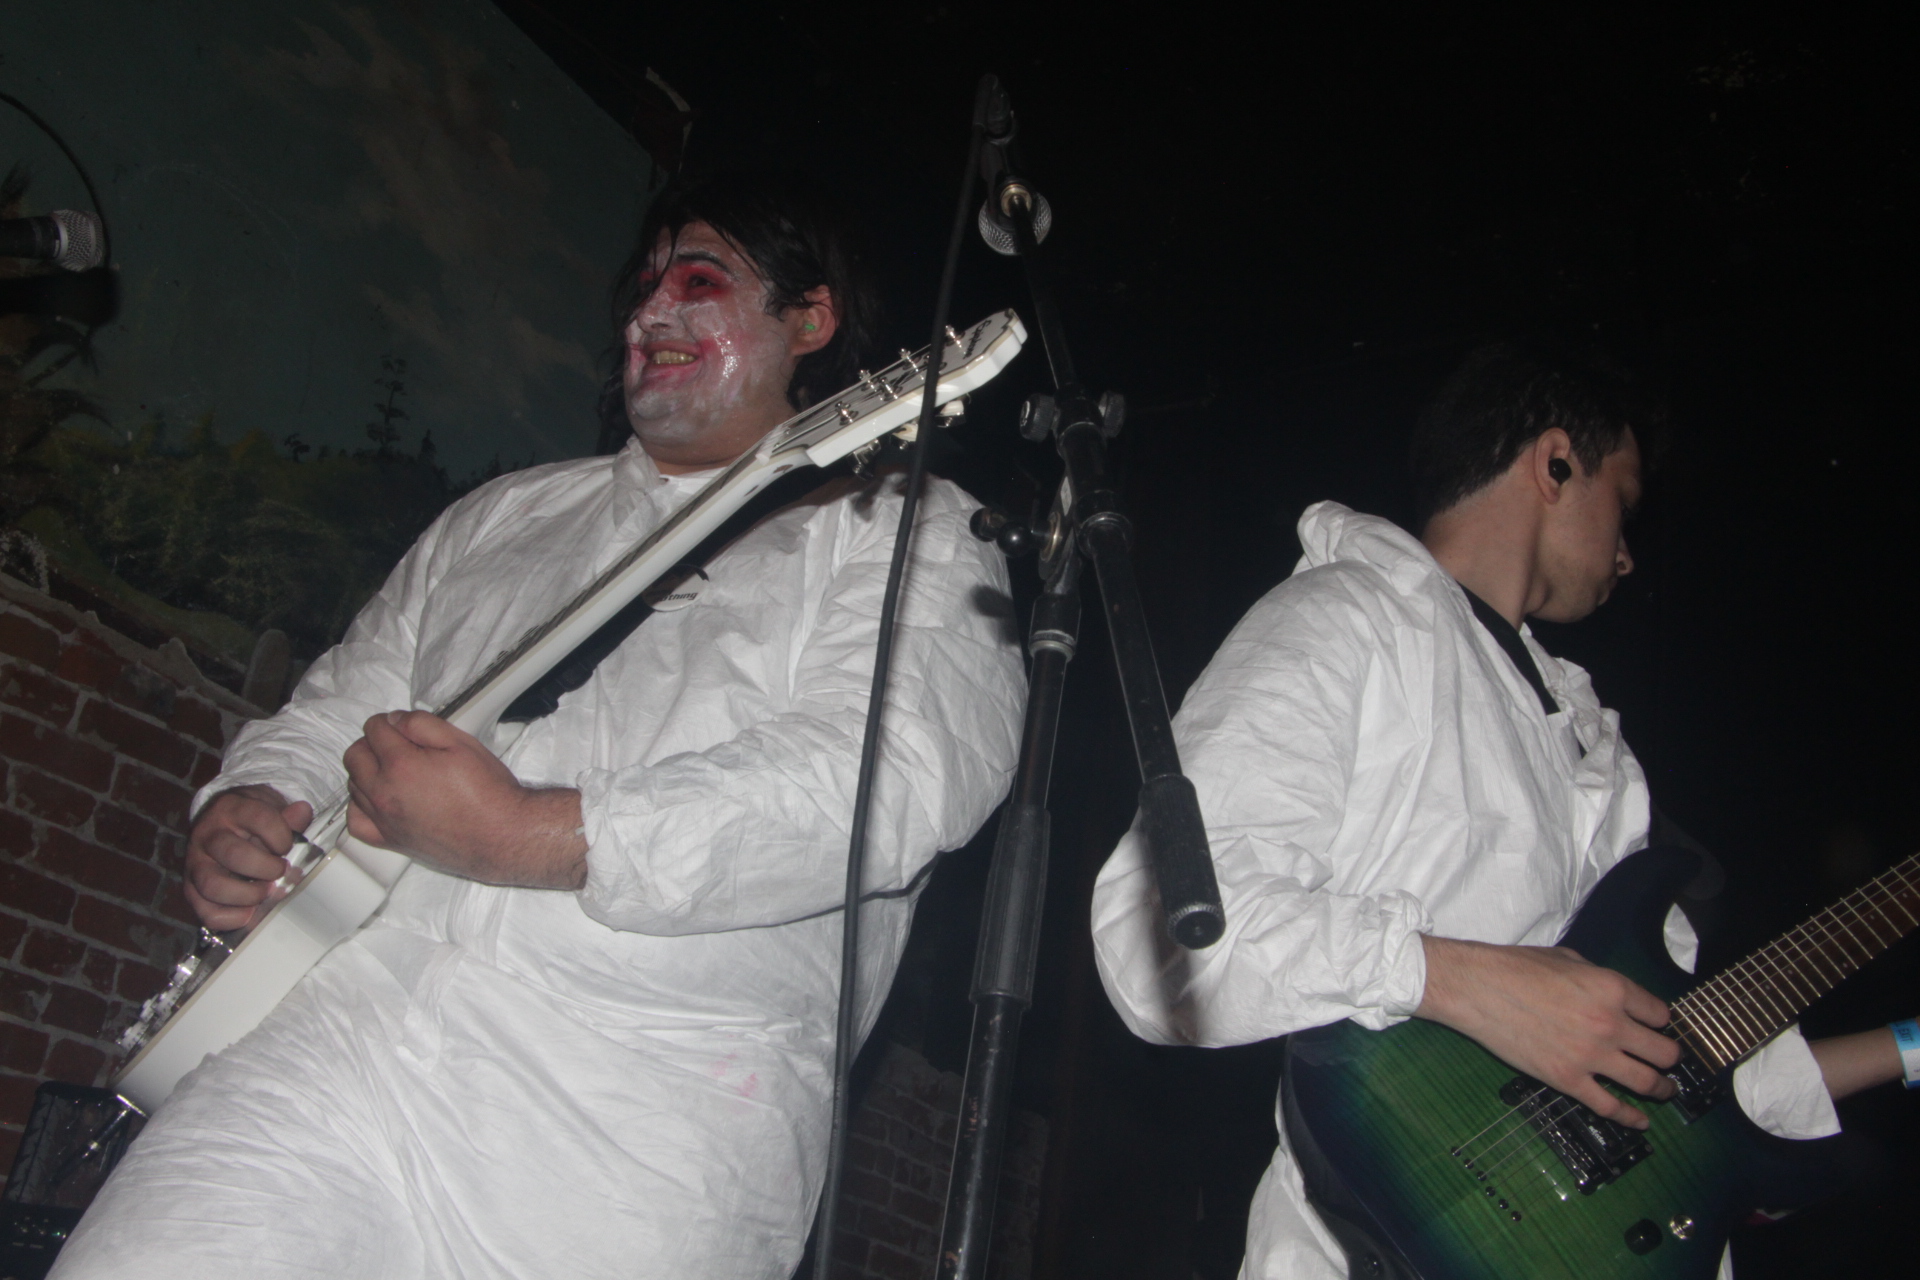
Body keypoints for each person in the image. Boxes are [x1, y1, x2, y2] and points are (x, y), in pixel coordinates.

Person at [55, 174, 1025, 1280]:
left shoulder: (906, 532)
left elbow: (886, 783)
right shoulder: (505, 515)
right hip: (335, 1040)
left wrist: (529, 832)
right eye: (643, 284)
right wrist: (252, 800)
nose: (650, 311)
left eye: (698, 281)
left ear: (810, 320)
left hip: (641, 1132)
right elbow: (341, 703)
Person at [1089, 344, 1912, 1279]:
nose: (1629, 553)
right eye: (1624, 502)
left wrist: (1911, 1046)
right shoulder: (1349, 617)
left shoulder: (1597, 753)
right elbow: (1162, 933)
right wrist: (1465, 983)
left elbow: (1681, 1067)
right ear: (1554, 463)